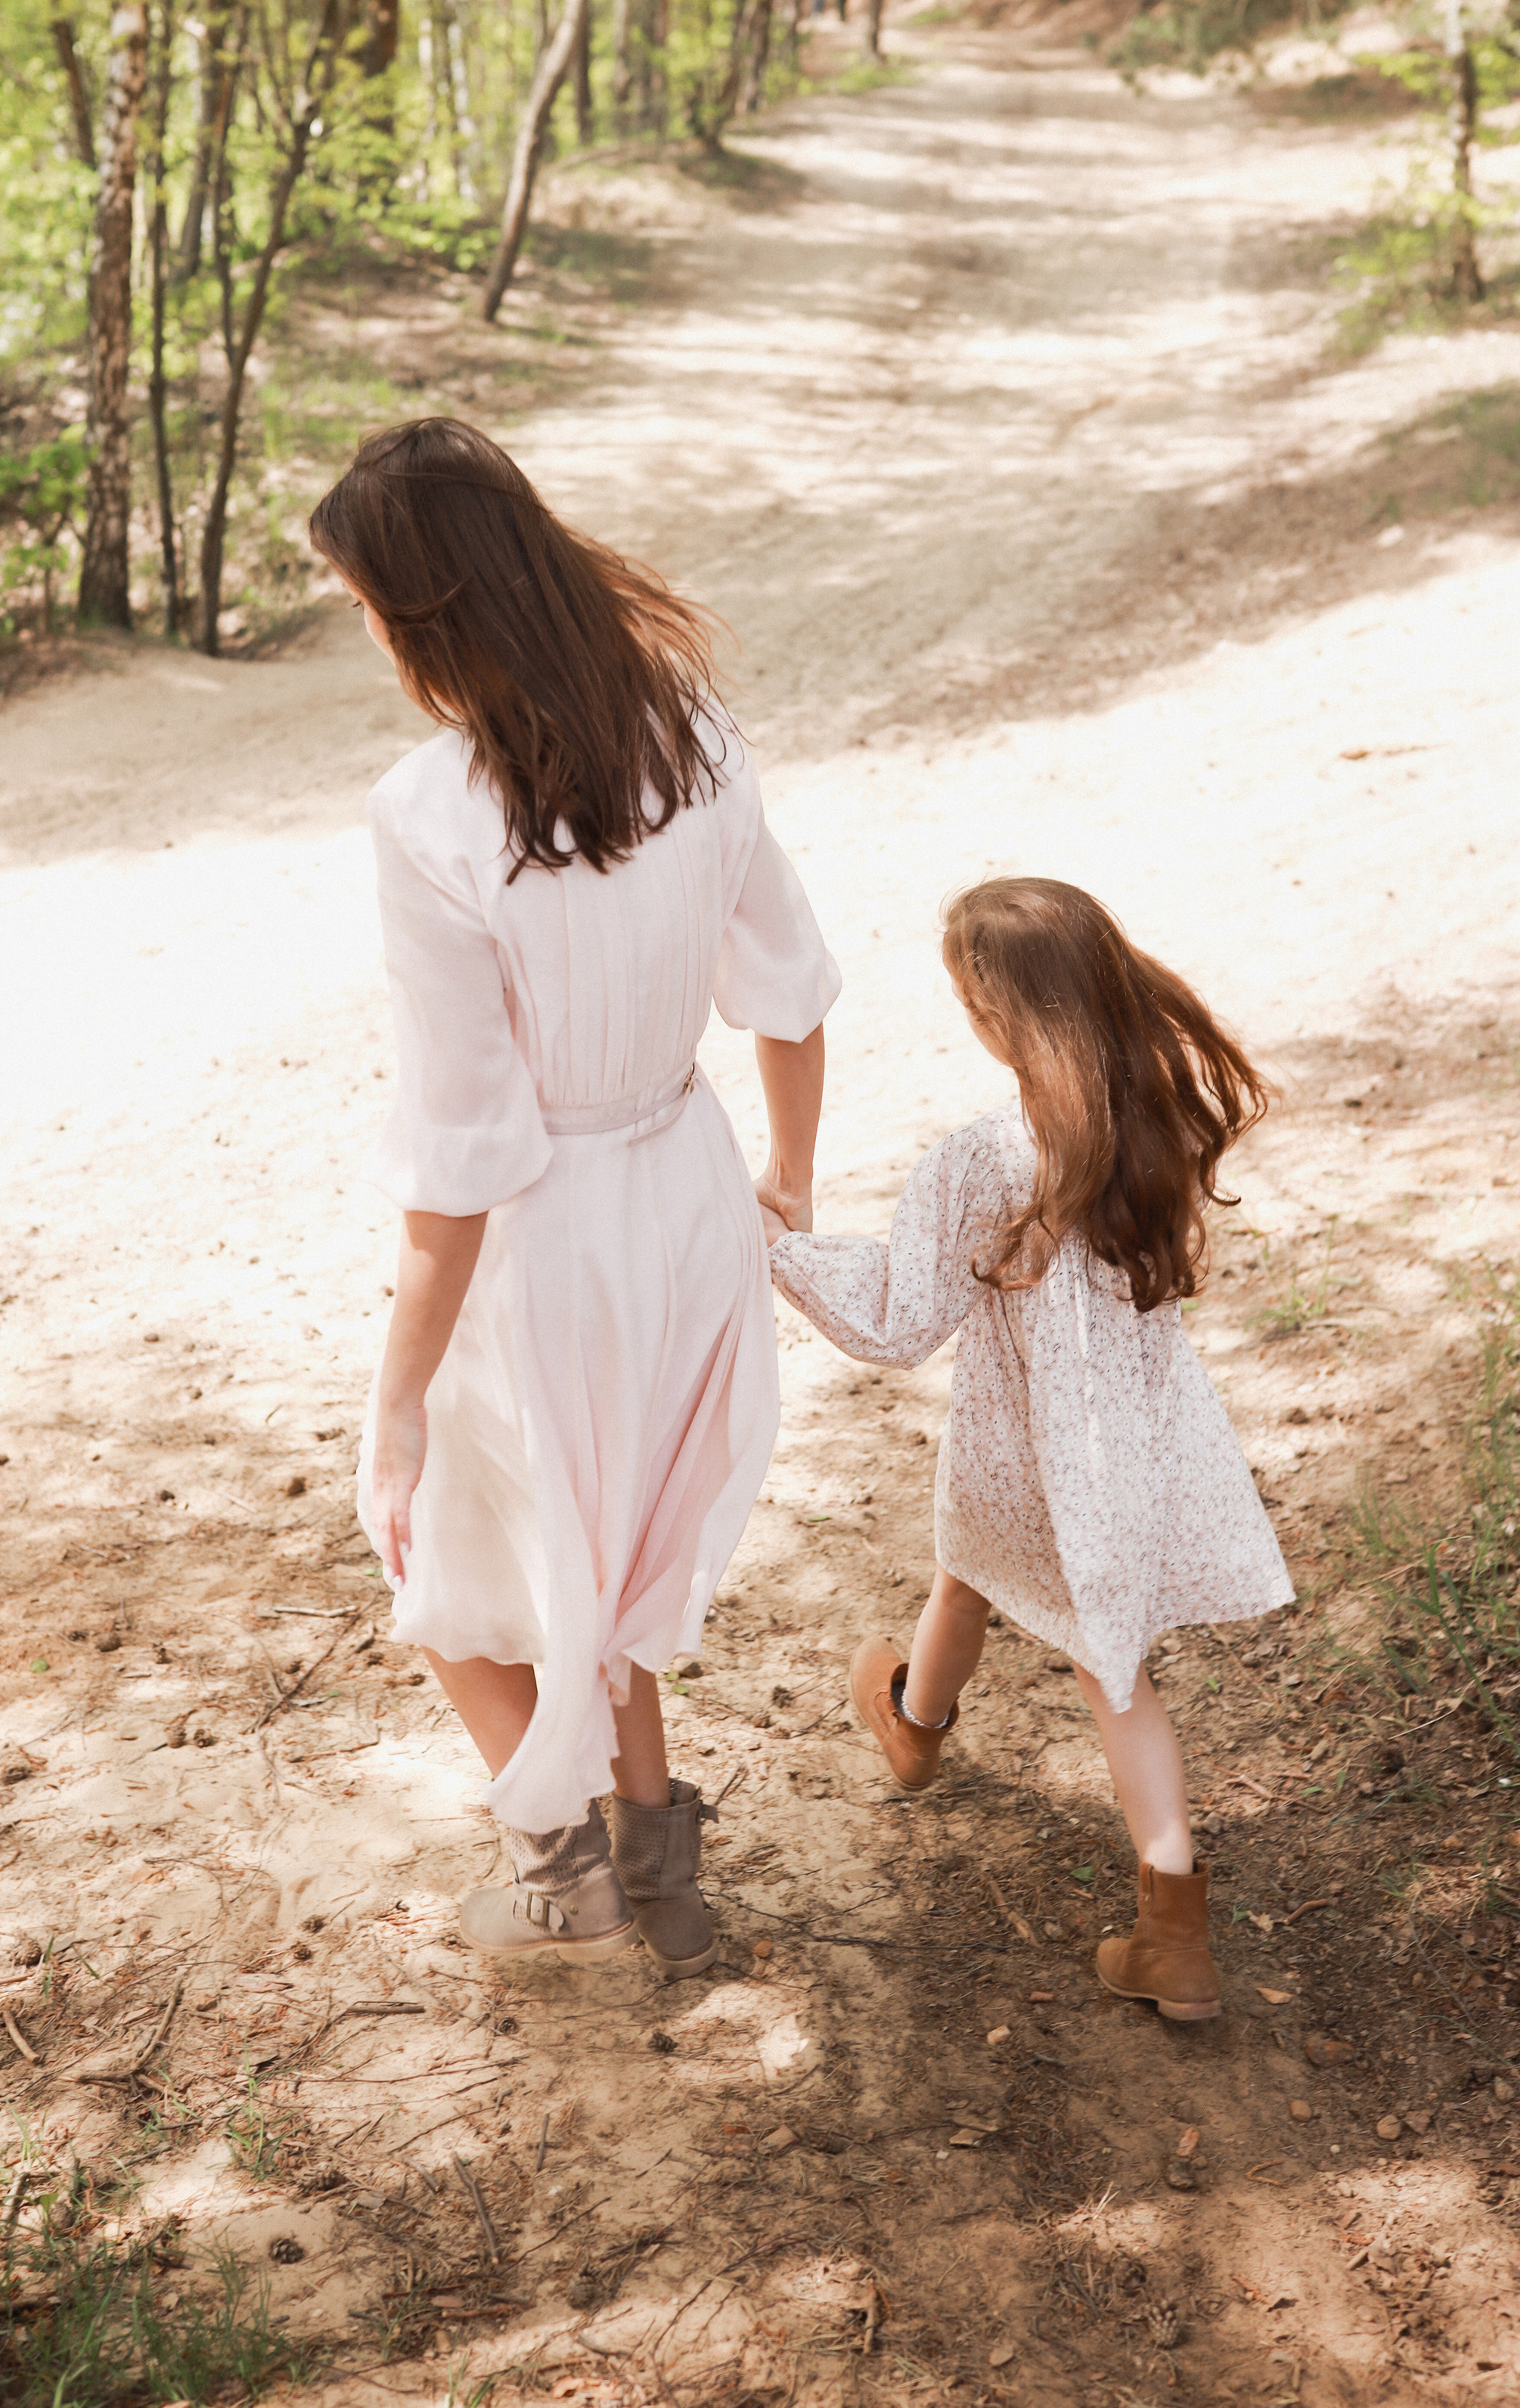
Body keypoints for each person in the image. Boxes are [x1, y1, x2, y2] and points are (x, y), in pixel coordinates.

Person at [312, 420, 838, 1977]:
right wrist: (787, 1180)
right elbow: (790, 993)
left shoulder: (430, 813)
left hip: (543, 1238)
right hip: (685, 1192)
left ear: (430, 615)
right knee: (599, 1546)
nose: (368, 636)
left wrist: (394, 1404)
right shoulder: (689, 730)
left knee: (444, 1560)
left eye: (368, 607)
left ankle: (561, 1871)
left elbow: (462, 1156)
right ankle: (661, 1871)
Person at [767, 877, 1292, 2021]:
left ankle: (931, 1742)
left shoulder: (982, 1159)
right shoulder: (1150, 1122)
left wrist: (781, 1252)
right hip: (1137, 1454)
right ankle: (1158, 1923)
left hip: (1022, 1456)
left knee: (1001, 1591)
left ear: (992, 1018)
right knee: (1080, 1643)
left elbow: (900, 1322)